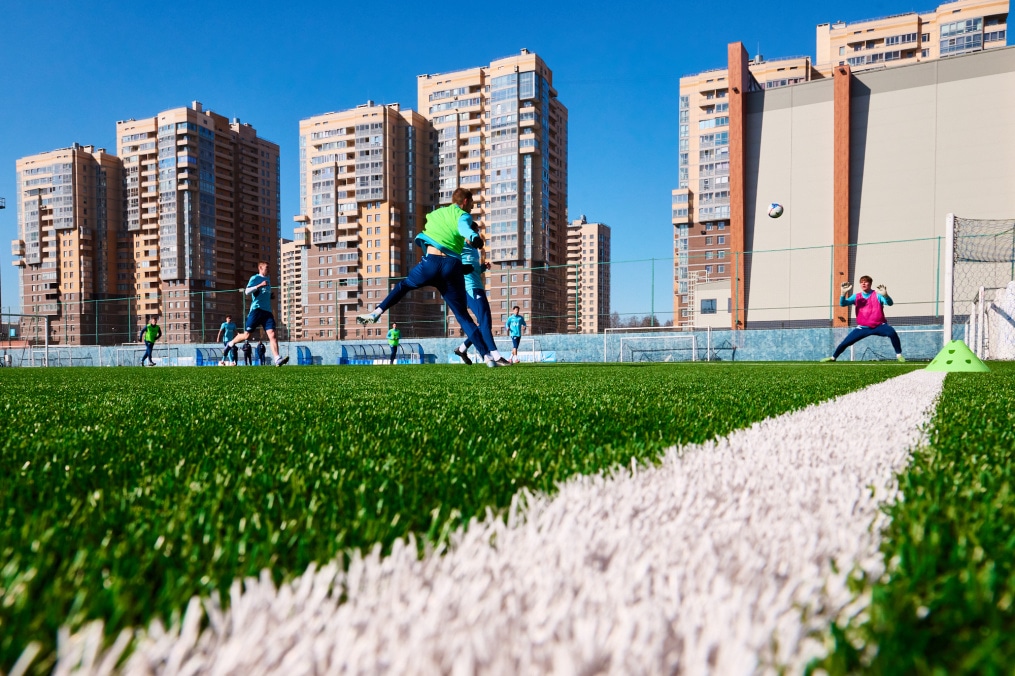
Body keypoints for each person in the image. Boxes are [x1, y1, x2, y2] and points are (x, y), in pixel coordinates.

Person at [357, 187, 497, 367]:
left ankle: (376, 312)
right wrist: (473, 237)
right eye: (471, 203)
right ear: (464, 202)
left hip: (429, 264)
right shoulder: (464, 215)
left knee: (404, 285)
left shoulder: (436, 213)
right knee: (463, 317)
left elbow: (431, 231)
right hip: (451, 266)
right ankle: (487, 357)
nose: (471, 207)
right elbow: (463, 227)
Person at [453, 221, 509, 365]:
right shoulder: (461, 247)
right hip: (469, 289)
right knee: (485, 321)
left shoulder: (474, 250)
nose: (477, 234)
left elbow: (474, 269)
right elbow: (456, 264)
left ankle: (462, 348)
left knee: (483, 323)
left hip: (478, 287)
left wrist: (482, 267)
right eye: (475, 231)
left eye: (477, 232)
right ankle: (495, 355)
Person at [822, 276, 905, 362]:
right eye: (862, 282)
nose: (863, 283)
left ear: (870, 284)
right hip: (863, 327)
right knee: (846, 342)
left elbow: (890, 303)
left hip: (879, 325)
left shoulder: (877, 295)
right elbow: (843, 304)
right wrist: (842, 294)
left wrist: (886, 295)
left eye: (866, 282)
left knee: (892, 333)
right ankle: (833, 357)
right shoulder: (856, 296)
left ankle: (899, 355)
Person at [225, 261, 289, 367]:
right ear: (260, 268)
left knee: (272, 335)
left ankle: (277, 358)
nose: (268, 270)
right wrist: (260, 285)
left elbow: (263, 293)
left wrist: (270, 296)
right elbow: (247, 292)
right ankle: (230, 343)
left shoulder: (268, 280)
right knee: (246, 335)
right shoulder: (255, 278)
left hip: (267, 312)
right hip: (256, 310)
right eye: (266, 268)